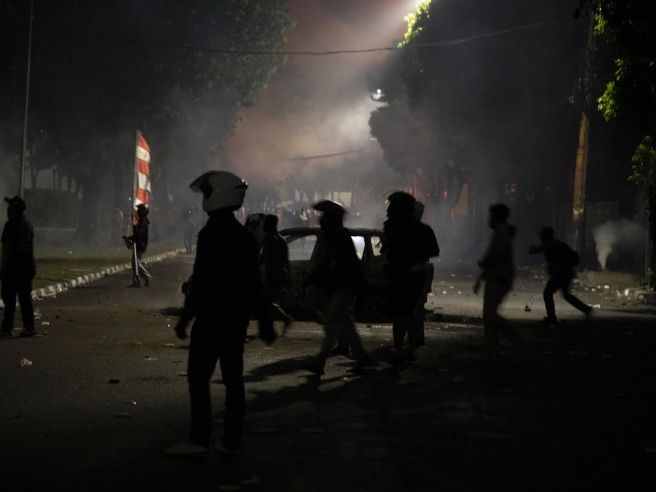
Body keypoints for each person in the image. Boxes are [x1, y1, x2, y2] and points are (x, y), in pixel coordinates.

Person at [167, 171, 275, 456]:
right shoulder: (245, 237)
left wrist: (185, 319)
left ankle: (200, 437)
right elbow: (255, 284)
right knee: (233, 380)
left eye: (206, 193)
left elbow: (201, 280)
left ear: (217, 195)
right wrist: (265, 323)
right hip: (235, 321)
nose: (204, 198)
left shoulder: (210, 234)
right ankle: (231, 441)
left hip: (211, 319)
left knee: (198, 377)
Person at [304, 200, 373, 376]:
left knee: (333, 323)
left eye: (324, 215)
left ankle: (319, 362)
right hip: (343, 285)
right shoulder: (335, 233)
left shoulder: (335, 235)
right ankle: (362, 359)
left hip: (343, 285)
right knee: (345, 324)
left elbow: (330, 263)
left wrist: (312, 279)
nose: (320, 218)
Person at [382, 192, 439, 363]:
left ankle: (402, 349)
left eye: (391, 206)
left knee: (402, 313)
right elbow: (432, 251)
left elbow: (388, 251)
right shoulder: (420, 229)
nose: (388, 210)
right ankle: (408, 346)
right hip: (410, 275)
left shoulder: (393, 227)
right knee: (408, 312)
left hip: (402, 275)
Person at [473, 203, 519, 350]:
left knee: (489, 315)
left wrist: (483, 263)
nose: (489, 219)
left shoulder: (501, 232)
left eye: (491, 216)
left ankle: (518, 335)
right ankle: (492, 347)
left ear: (497, 217)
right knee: (489, 315)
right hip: (498, 276)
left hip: (499, 277)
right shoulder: (502, 232)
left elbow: (494, 255)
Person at [529, 227, 591, 325]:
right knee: (566, 294)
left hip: (560, 272)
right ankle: (586, 309)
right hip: (567, 272)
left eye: (541, 234)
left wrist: (531, 249)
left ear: (545, 235)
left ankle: (551, 318)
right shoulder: (558, 243)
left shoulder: (549, 243)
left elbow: (536, 250)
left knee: (547, 293)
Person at [1, 196, 36, 338]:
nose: (8, 210)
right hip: (27, 266)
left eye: (10, 207)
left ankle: (6, 328)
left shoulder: (10, 225)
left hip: (14, 267)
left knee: (9, 298)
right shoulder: (28, 225)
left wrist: (2, 268)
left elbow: (7, 249)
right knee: (25, 298)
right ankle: (29, 326)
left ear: (15, 210)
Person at [412, 200, 439, 347]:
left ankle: (415, 336)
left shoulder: (406, 229)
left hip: (417, 271)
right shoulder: (425, 229)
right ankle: (417, 335)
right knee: (417, 306)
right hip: (420, 270)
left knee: (415, 306)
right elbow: (434, 251)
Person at [259, 214, 293, 333]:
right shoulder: (282, 239)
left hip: (272, 275)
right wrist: (289, 276)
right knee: (268, 301)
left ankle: (284, 319)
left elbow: (264, 256)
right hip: (281, 275)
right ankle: (282, 320)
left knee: (265, 302)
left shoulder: (269, 239)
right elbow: (286, 261)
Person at [123, 204, 151, 287]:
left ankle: (145, 277)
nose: (137, 211)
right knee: (135, 263)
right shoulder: (142, 219)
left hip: (140, 244)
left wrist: (130, 238)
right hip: (139, 243)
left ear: (142, 211)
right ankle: (137, 281)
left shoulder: (143, 221)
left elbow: (139, 234)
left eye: (139, 210)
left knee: (136, 263)